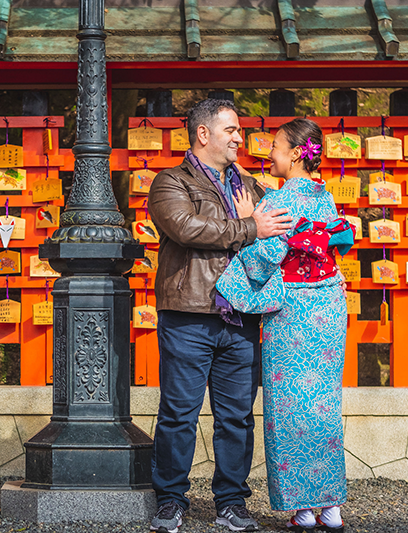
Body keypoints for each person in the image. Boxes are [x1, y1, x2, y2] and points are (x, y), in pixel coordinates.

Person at [147, 98, 293, 533]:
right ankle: (171, 499)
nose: (239, 138)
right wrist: (249, 227)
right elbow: (186, 228)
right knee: (179, 414)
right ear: (203, 133)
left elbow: (278, 235)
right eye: (230, 130)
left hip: (242, 316)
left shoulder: (251, 185)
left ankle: (231, 502)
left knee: (236, 417)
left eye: (239, 130)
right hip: (189, 313)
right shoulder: (171, 181)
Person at [216, 118, 353, 533]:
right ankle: (328, 506)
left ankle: (302, 508)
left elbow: (262, 259)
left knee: (290, 406)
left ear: (296, 153)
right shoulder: (323, 196)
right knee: (324, 405)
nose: (269, 152)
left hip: (293, 311)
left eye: (275, 145)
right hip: (328, 306)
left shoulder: (281, 202)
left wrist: (247, 224)